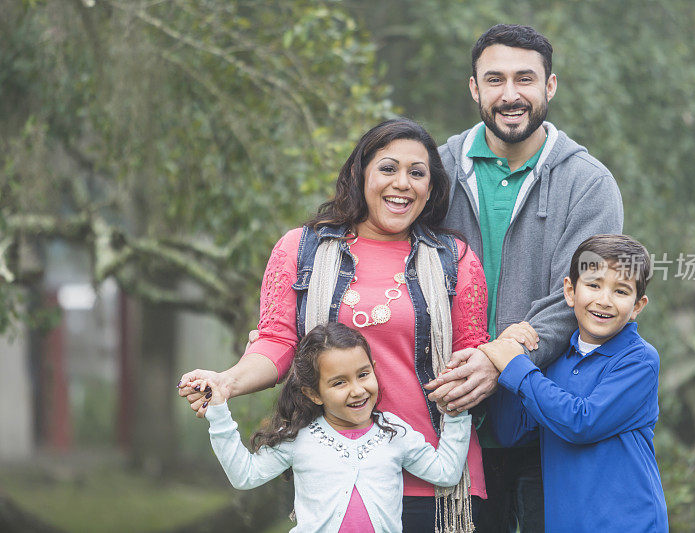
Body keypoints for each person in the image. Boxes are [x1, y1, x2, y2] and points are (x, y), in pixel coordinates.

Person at [178, 118, 489, 531]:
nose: (403, 183)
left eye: (417, 173)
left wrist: (503, 352)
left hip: (435, 476)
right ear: (361, 174)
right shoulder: (302, 249)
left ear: (430, 189)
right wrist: (227, 383)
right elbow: (277, 342)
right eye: (388, 168)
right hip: (336, 473)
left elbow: (474, 360)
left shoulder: (455, 259)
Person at [425, 23, 625, 532]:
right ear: (474, 88)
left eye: (524, 79)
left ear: (549, 86)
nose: (510, 94)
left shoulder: (588, 183)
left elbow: (580, 297)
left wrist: (499, 360)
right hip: (445, 425)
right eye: (494, 79)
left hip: (548, 425)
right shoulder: (435, 171)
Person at [192, 323, 472, 533]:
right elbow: (245, 476)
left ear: (374, 369)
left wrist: (456, 413)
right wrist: (218, 413)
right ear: (314, 394)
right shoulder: (300, 438)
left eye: (363, 375)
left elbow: (446, 472)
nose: (357, 390)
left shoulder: (393, 432)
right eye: (339, 382)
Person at [477, 234, 668, 532]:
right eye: (593, 285)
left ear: (637, 305)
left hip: (630, 523)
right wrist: (512, 346)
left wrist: (516, 366)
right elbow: (509, 431)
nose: (604, 300)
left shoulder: (639, 360)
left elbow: (582, 422)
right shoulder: (554, 361)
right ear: (570, 291)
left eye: (620, 291)